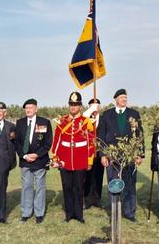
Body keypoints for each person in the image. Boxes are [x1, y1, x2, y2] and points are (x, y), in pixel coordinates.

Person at [98, 88, 145, 222]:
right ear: (116, 99)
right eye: (122, 97)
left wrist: (140, 154)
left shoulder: (134, 114)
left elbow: (140, 135)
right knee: (113, 184)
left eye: (126, 97)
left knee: (130, 183)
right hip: (112, 156)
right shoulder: (106, 115)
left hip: (129, 155)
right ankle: (114, 211)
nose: (124, 99)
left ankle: (129, 212)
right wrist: (102, 155)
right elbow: (101, 136)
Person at [51, 92, 95, 223]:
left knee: (79, 187)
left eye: (76, 105)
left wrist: (90, 160)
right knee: (67, 186)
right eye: (71, 104)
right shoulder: (62, 121)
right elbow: (57, 141)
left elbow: (91, 142)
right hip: (64, 160)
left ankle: (79, 214)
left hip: (80, 160)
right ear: (69, 106)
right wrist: (55, 158)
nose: (73, 107)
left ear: (80, 106)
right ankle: (69, 214)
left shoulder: (86, 122)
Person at [15, 98, 53, 224]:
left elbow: (48, 143)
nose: (28, 110)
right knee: (26, 186)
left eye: (31, 107)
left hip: (40, 160)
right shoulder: (19, 123)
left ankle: (39, 213)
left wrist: (37, 155)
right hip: (25, 160)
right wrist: (24, 156)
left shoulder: (45, 122)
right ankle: (26, 213)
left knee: (40, 187)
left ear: (36, 109)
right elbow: (17, 143)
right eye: (26, 108)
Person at [83, 98, 104, 209]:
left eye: (96, 106)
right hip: (88, 152)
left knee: (99, 176)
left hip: (100, 152)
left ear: (100, 107)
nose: (95, 108)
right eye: (92, 106)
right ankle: (87, 199)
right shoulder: (86, 118)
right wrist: (90, 111)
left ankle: (97, 199)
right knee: (87, 177)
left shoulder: (104, 118)